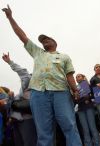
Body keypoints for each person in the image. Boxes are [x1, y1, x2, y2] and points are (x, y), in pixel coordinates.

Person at [2, 5, 82, 146]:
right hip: (38, 94)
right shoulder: (38, 52)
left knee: (69, 126)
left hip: (61, 92)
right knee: (44, 133)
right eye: (42, 40)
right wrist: (10, 18)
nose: (44, 41)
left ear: (54, 42)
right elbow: (22, 36)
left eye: (47, 39)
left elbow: (70, 76)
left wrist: (75, 90)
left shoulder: (64, 57)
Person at [2, 52, 37, 146]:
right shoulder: (22, 92)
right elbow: (11, 104)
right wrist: (10, 98)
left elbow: (23, 72)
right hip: (16, 121)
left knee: (29, 142)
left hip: (27, 120)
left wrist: (10, 62)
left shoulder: (38, 92)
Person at [75, 73, 100, 146]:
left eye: (79, 76)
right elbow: (75, 100)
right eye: (76, 77)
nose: (77, 78)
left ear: (83, 77)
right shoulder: (75, 88)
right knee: (85, 129)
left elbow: (90, 96)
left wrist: (87, 98)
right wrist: (79, 98)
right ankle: (88, 144)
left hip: (89, 107)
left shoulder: (87, 84)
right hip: (80, 109)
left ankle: (97, 143)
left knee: (92, 127)